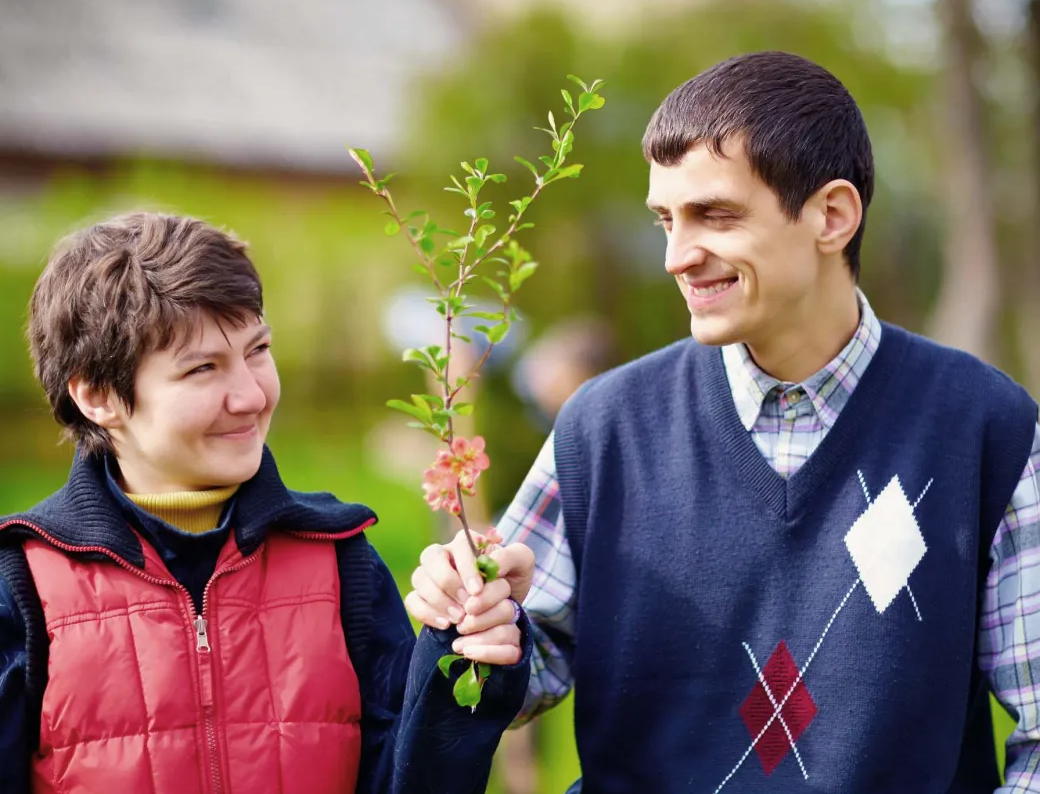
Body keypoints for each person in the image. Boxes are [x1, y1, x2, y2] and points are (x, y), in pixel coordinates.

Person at [404, 51, 1040, 792]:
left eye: (716, 215)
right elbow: (523, 669)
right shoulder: (606, 428)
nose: (677, 256)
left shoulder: (985, 427)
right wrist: (480, 615)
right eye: (665, 220)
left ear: (831, 216)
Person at [0, 212, 532, 793]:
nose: (251, 395)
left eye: (258, 350)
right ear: (97, 395)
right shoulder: (21, 585)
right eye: (202, 368)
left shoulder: (341, 560)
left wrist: (462, 647)